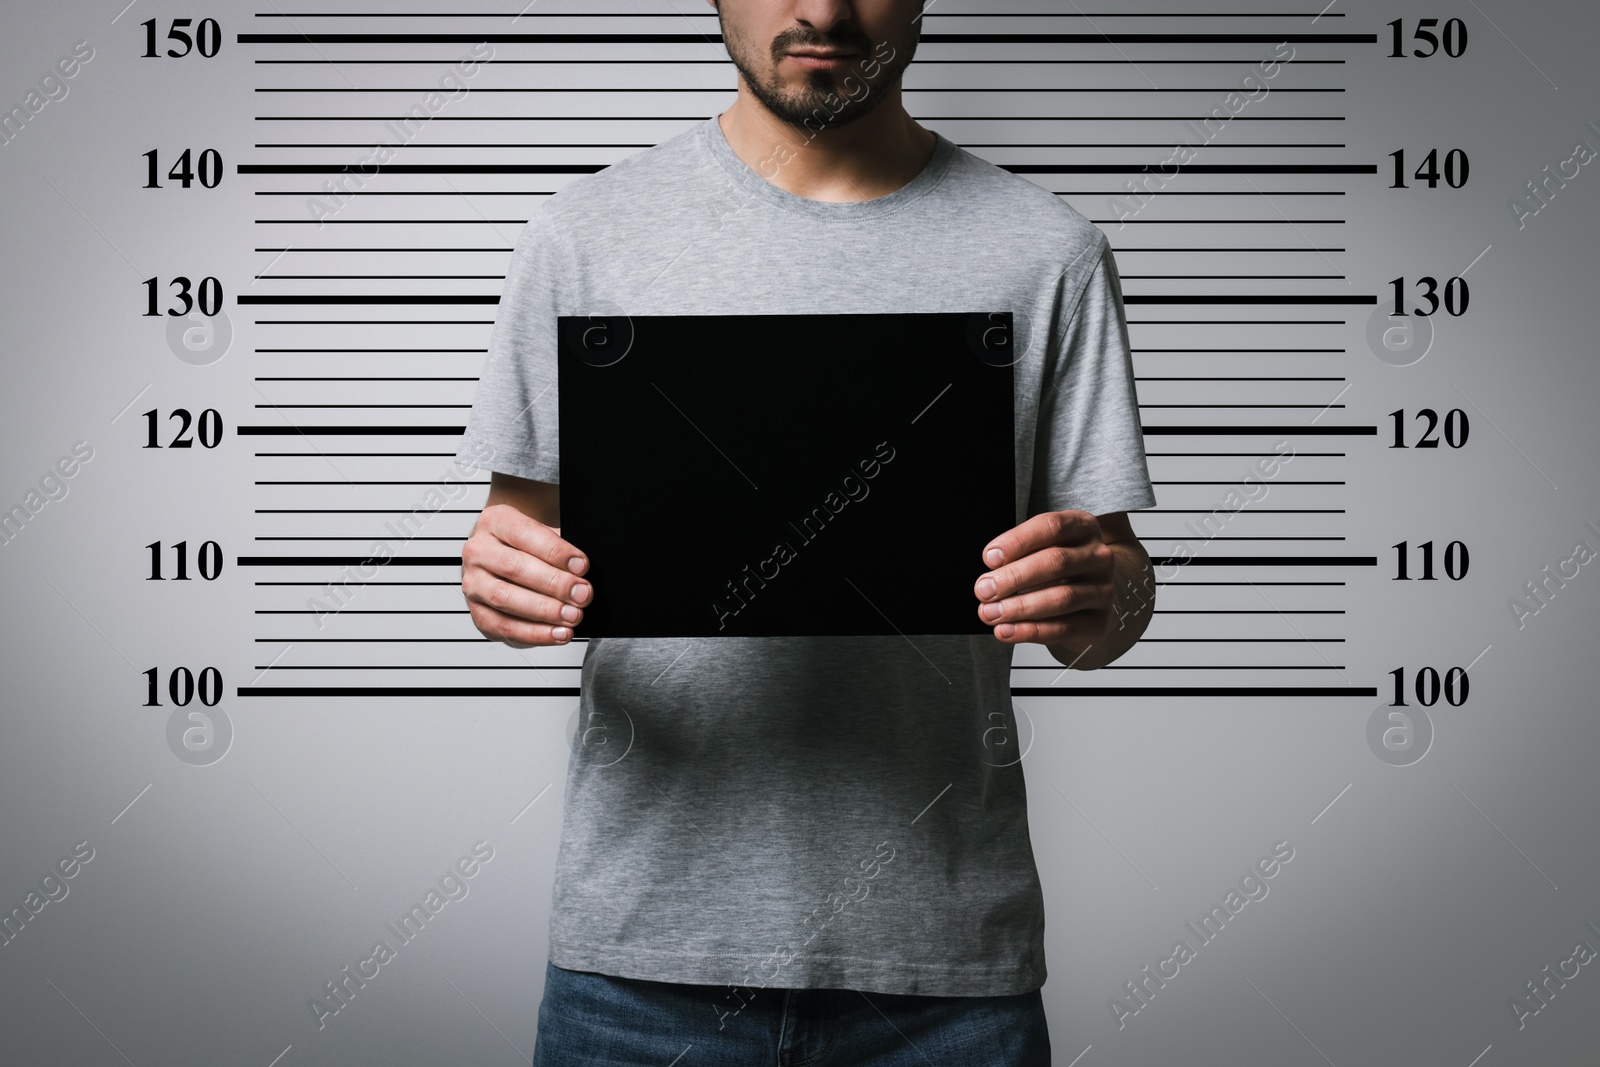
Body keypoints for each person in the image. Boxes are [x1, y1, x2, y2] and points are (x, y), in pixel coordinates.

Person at [456, 1, 1158, 1062]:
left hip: (945, 974)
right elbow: (515, 539)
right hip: (640, 965)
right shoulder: (583, 235)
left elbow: (1110, 597)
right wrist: (497, 583)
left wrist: (1108, 596)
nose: (822, 6)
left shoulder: (1047, 250)